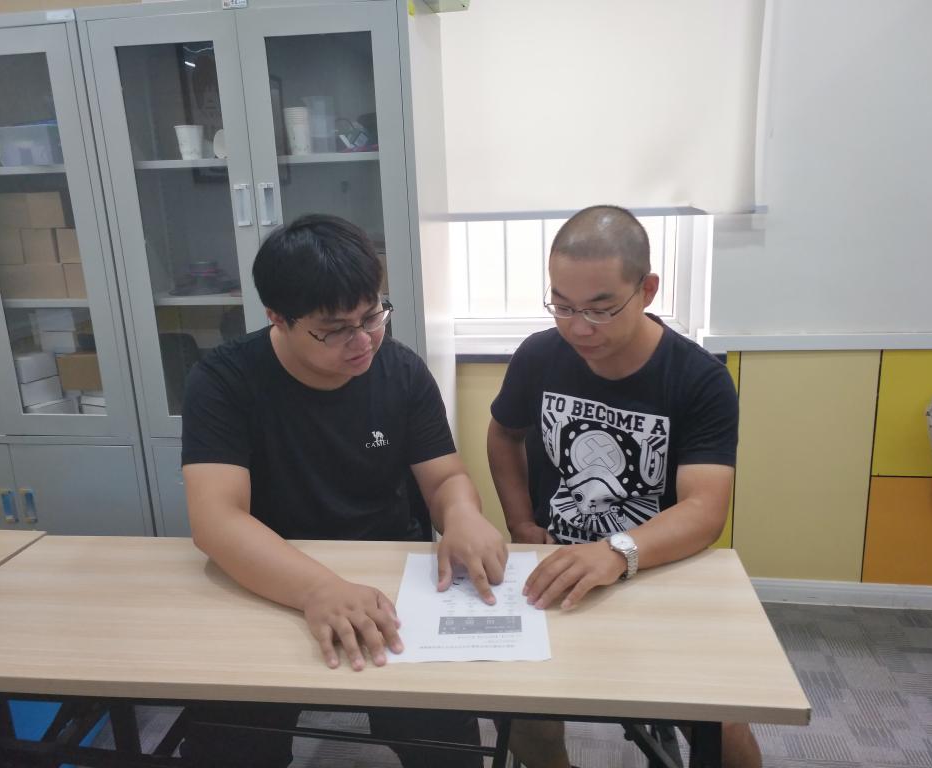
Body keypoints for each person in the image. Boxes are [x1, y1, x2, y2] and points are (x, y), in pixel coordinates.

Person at [181, 213, 508, 767]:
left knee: (446, 746)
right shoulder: (225, 380)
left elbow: (445, 478)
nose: (363, 341)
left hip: (386, 580)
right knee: (230, 740)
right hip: (270, 577)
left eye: (372, 315)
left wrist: (463, 516)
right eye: (334, 329)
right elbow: (217, 520)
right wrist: (317, 589)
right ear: (277, 318)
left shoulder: (400, 370)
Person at [487, 205, 762, 768]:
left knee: (720, 715)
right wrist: (519, 522)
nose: (578, 327)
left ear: (647, 290)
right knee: (518, 700)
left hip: (658, 569)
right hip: (556, 564)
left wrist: (617, 552)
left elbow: (705, 509)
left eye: (600, 308)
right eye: (562, 305)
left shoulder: (698, 379)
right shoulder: (539, 355)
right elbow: (503, 434)